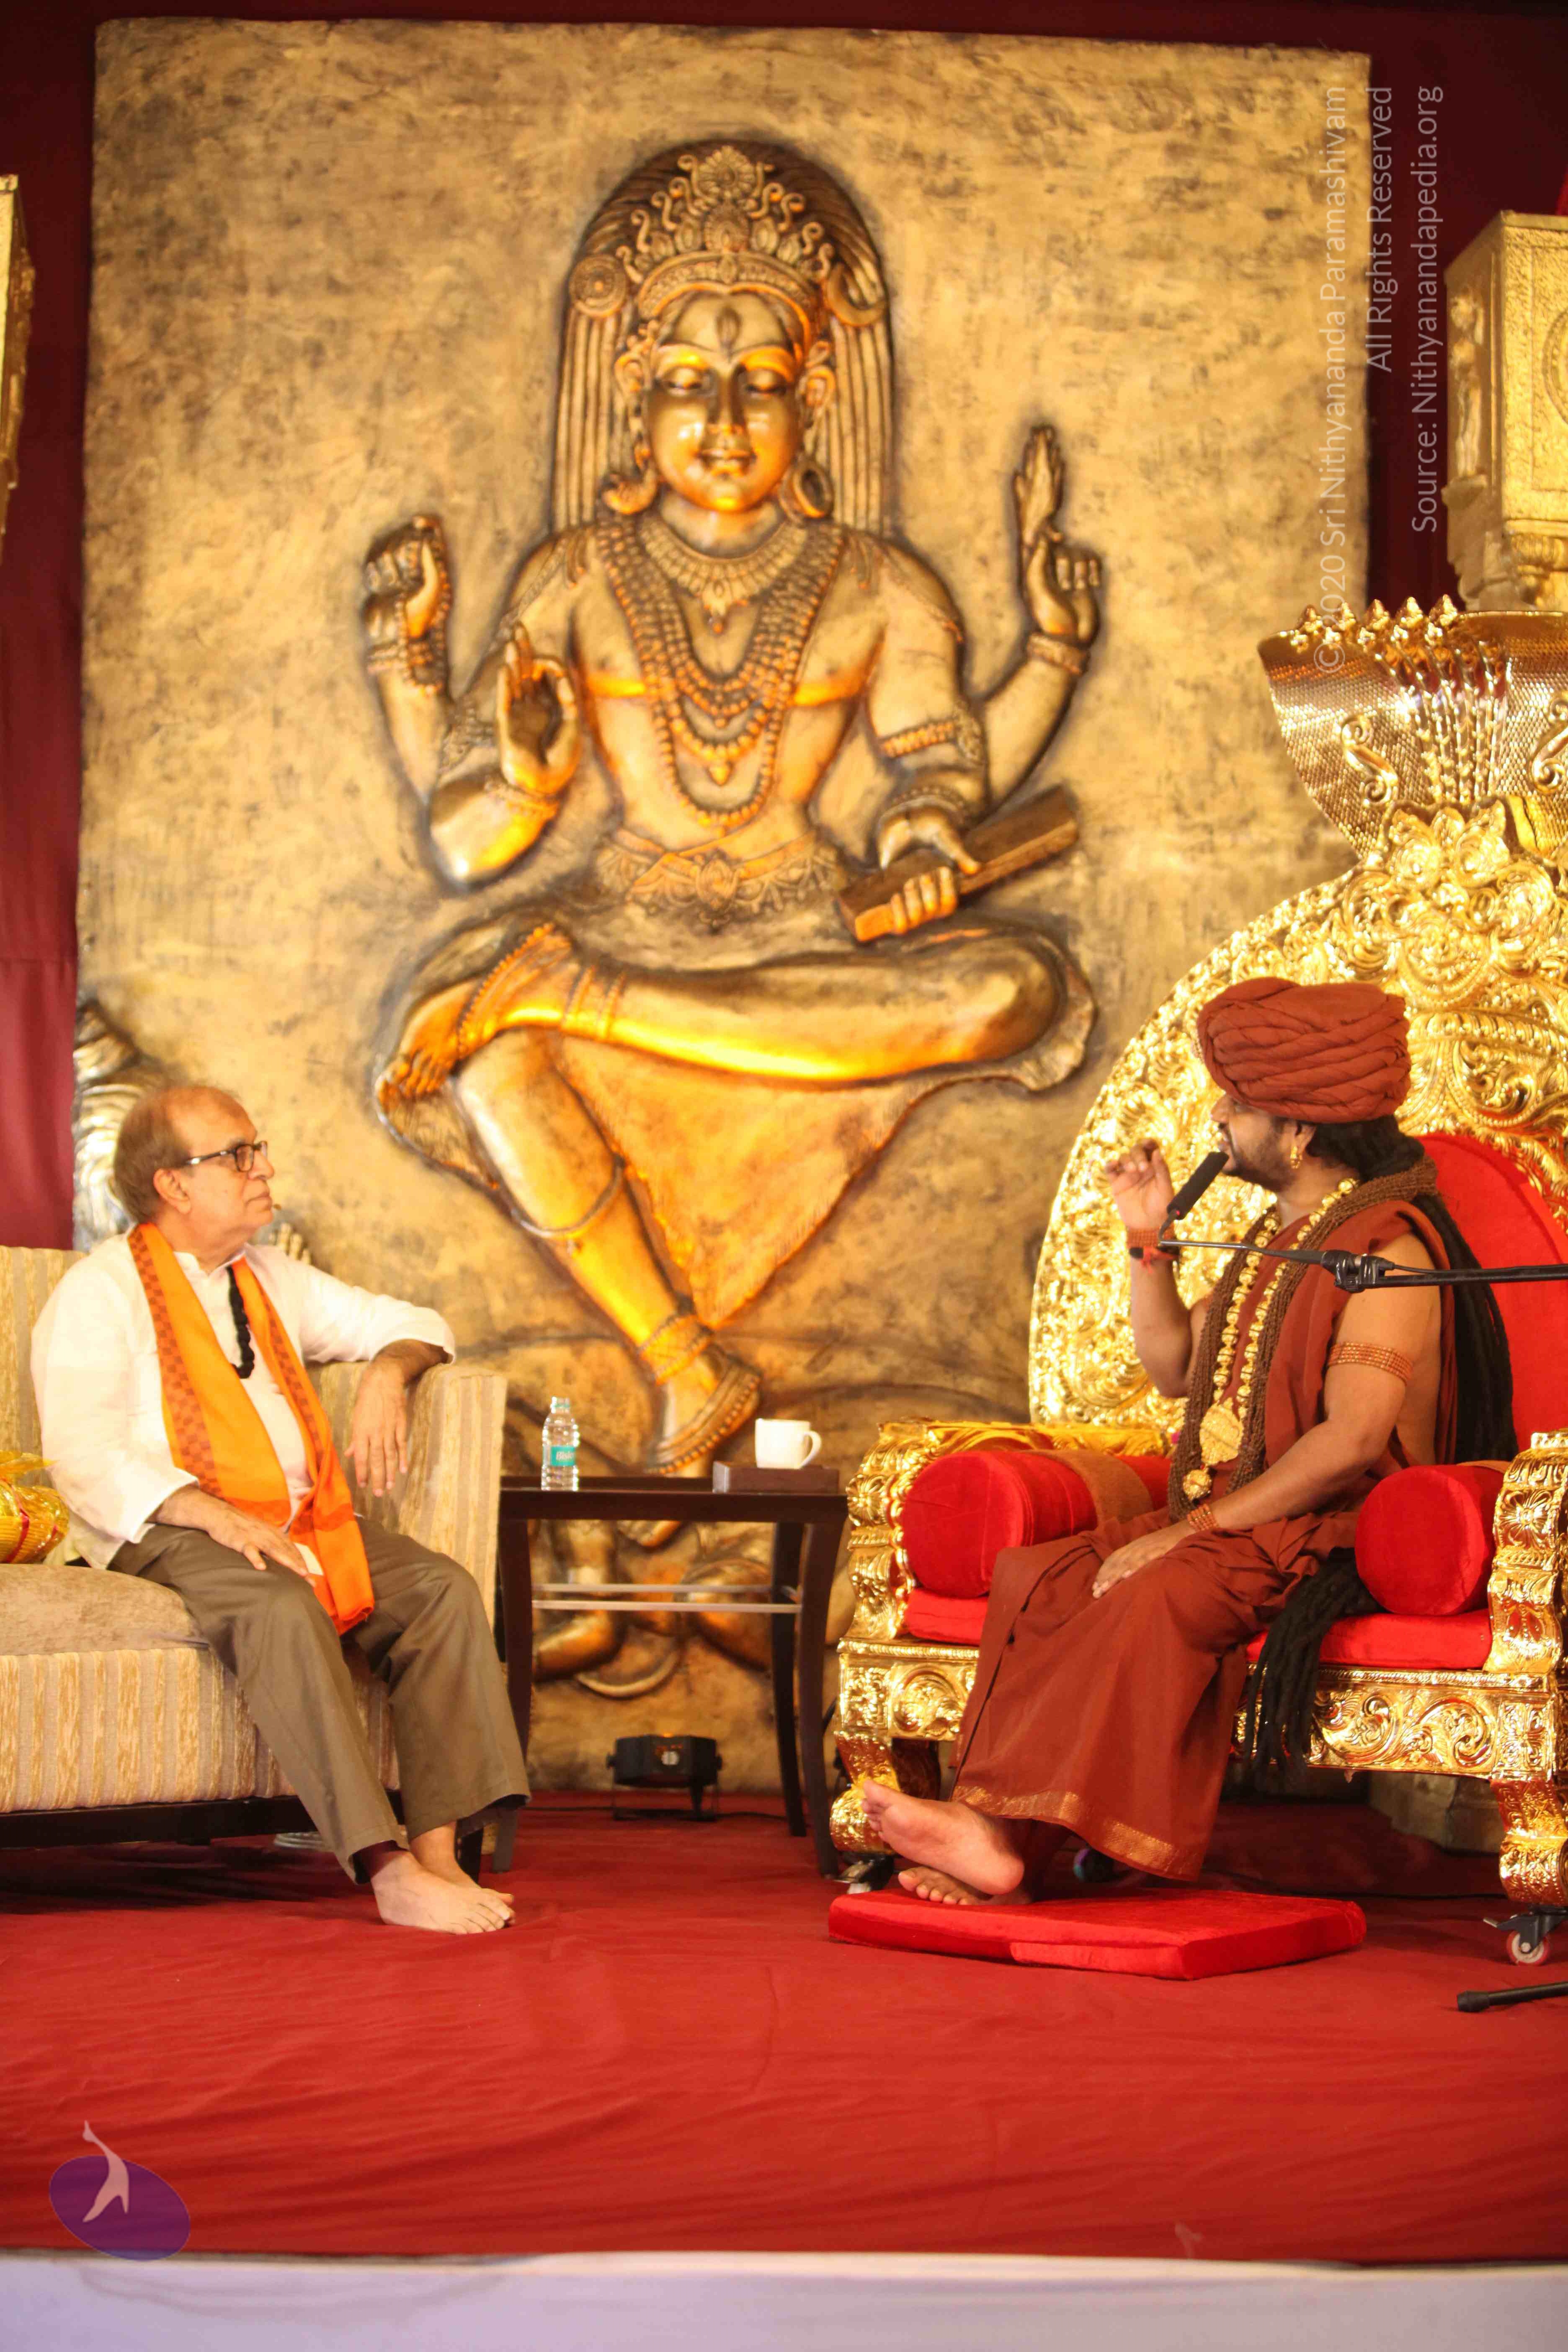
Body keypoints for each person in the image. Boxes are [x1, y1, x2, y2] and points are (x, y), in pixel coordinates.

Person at [861, 977, 1514, 1904]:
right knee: (1045, 1577)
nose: (1218, 1118)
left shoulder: (1388, 1254)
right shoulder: (1275, 1246)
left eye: (1238, 1104)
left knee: (1152, 1593)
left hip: (1329, 1532)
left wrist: (1192, 1532)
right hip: (1239, 1523)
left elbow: (1352, 1440)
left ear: (1298, 1130)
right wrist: (1147, 1241)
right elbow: (1172, 1366)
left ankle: (1001, 1844)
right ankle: (997, 1837)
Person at [31, 1086, 529, 1934]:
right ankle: (386, 1867)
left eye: (257, 1148)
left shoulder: (268, 1278)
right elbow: (83, 1457)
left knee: (441, 1590)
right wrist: (215, 1516)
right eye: (237, 1155)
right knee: (279, 1602)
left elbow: (415, 1322)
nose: (262, 1168)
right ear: (173, 1185)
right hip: (166, 1525)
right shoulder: (100, 1291)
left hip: (299, 1517)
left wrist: (389, 1372)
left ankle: (440, 1854)